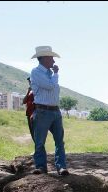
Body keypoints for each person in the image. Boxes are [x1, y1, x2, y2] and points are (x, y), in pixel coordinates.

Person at [29, 45, 68, 176]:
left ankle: (61, 167)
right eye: (51, 57)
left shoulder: (49, 74)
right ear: (45, 58)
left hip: (55, 111)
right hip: (43, 111)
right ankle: (41, 167)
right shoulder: (36, 72)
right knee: (40, 142)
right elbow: (50, 86)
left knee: (59, 141)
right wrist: (56, 74)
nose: (53, 61)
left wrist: (54, 74)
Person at [22, 77, 35, 142]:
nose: (30, 83)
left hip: (36, 114)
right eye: (29, 82)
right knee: (32, 132)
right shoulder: (29, 91)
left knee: (37, 132)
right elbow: (24, 101)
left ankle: (40, 150)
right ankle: (37, 149)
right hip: (29, 114)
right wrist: (28, 92)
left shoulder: (37, 89)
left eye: (30, 81)